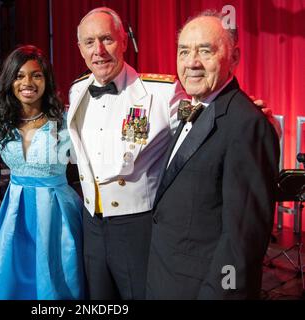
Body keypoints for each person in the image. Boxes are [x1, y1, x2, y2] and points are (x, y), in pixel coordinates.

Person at [145, 11, 279, 299]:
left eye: (205, 50)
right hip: (166, 279)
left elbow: (242, 241)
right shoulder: (193, 106)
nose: (191, 62)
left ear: (234, 57)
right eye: (184, 51)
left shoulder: (247, 125)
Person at [67, 7, 186, 299]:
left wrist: (253, 116)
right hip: (91, 224)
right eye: (89, 42)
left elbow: (205, 128)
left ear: (123, 40)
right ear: (79, 49)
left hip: (138, 225)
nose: (99, 51)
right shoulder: (77, 90)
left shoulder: (162, 92)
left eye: (106, 39)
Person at [0, 45, 84, 300]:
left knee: (57, 285)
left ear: (46, 80)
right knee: (11, 285)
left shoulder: (66, 118)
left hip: (57, 212)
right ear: (10, 81)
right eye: (19, 76)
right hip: (15, 212)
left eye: (36, 75)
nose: (27, 82)